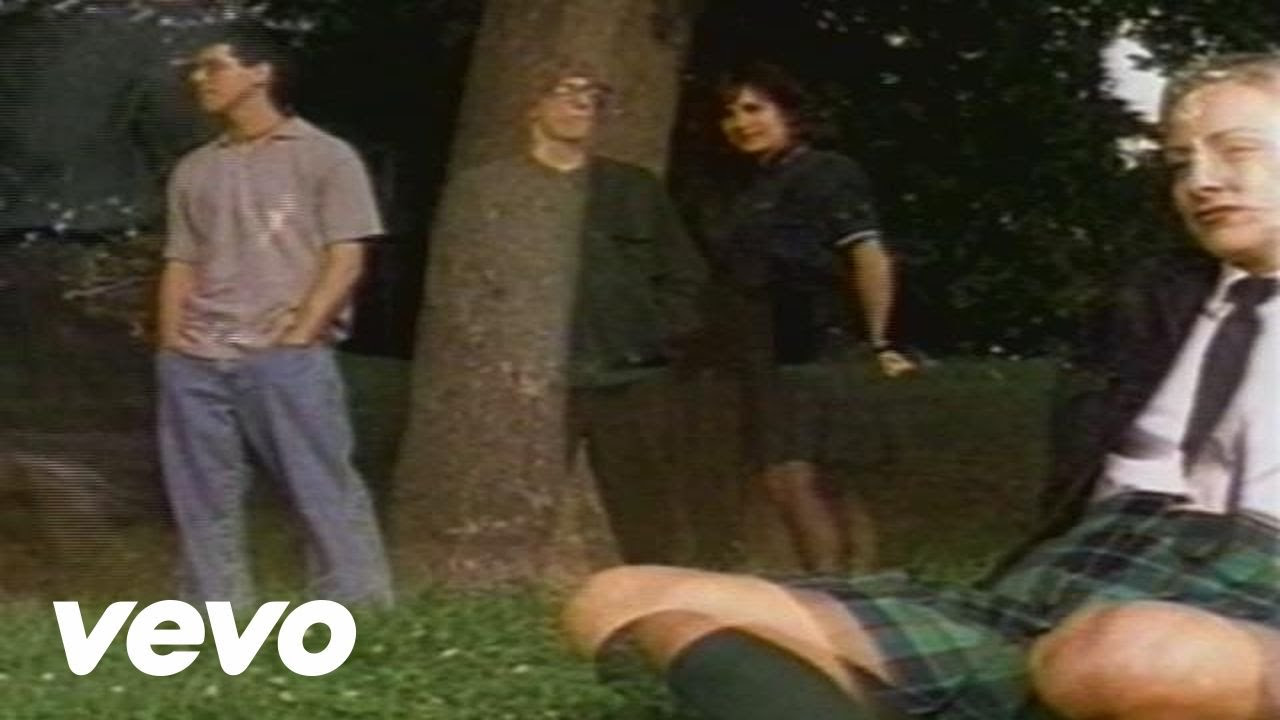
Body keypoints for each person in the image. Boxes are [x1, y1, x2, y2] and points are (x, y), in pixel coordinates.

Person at [561, 53, 1280, 720]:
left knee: (1133, 655)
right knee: (623, 600)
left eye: (1236, 150)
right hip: (1057, 590)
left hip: (1244, 598)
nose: (1201, 181)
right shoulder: (1154, 303)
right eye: (1181, 162)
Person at [155, 22, 392, 607]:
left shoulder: (326, 157)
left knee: (321, 486)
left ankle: (358, 612)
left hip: (284, 353)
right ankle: (215, 614)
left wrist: (300, 333)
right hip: (197, 358)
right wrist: (170, 343)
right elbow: (181, 260)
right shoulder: (195, 168)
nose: (200, 78)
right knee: (201, 497)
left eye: (215, 66)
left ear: (260, 73)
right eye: (198, 69)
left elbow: (346, 255)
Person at [454, 61, 705, 563]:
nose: (582, 104)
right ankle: (510, 600)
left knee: (649, 516)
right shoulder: (490, 190)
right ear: (533, 106)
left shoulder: (635, 188)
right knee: (516, 512)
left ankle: (661, 600)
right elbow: (465, 284)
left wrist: (653, 338)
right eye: (567, 92)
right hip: (532, 387)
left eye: (593, 97)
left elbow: (684, 275)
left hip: (630, 380)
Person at [703, 64, 915, 573]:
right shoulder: (755, 187)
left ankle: (836, 592)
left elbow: (869, 255)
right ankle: (854, 589)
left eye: (754, 109)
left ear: (790, 114)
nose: (740, 122)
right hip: (765, 346)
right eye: (730, 114)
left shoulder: (826, 173)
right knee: (803, 477)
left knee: (796, 476)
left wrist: (879, 340)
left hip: (818, 342)